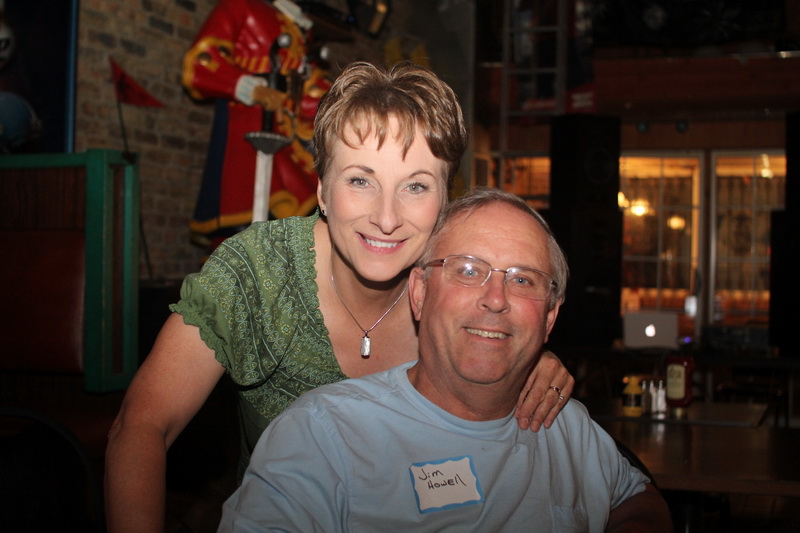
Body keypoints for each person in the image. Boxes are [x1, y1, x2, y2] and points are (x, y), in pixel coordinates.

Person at [105, 62, 575, 532]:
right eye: (359, 180)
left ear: (444, 203)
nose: (386, 218)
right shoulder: (257, 273)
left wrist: (527, 358)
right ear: (322, 191)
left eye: (415, 186)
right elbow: (142, 426)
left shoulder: (454, 284)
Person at [219, 187, 672, 532]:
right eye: (469, 270)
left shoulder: (568, 426)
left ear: (550, 317)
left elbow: (642, 501)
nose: (496, 299)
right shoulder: (322, 436)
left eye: (523, 280)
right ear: (419, 293)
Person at [182, 0, 326, 251]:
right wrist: (249, 87)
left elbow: (306, 88)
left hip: (288, 132)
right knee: (241, 216)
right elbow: (202, 61)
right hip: (248, 127)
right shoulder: (240, 6)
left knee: (305, 209)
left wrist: (342, 102)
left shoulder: (298, 24)